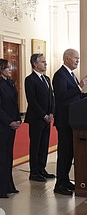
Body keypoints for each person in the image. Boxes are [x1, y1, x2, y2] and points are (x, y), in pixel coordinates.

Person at [53, 48, 87, 196]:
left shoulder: (70, 74)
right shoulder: (59, 75)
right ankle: (59, 184)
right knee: (64, 153)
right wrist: (79, 86)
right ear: (67, 58)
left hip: (73, 120)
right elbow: (62, 97)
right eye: (75, 58)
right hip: (64, 121)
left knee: (70, 153)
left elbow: (75, 97)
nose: (78, 60)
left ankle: (65, 180)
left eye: (78, 58)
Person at [24, 53, 55, 182]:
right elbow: (32, 100)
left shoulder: (47, 79)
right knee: (35, 145)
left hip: (48, 118)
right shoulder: (30, 79)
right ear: (35, 64)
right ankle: (34, 172)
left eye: (45, 61)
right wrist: (43, 115)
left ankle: (42, 168)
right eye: (43, 62)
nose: (45, 64)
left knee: (44, 145)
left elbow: (51, 97)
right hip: (37, 118)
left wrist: (52, 113)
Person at [0, 59, 21, 198]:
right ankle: (1, 189)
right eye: (8, 67)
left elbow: (14, 103)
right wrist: (9, 122)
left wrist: (18, 118)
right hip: (2, 125)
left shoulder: (10, 82)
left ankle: (9, 185)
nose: (10, 69)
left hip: (11, 124)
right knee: (2, 157)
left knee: (8, 155)